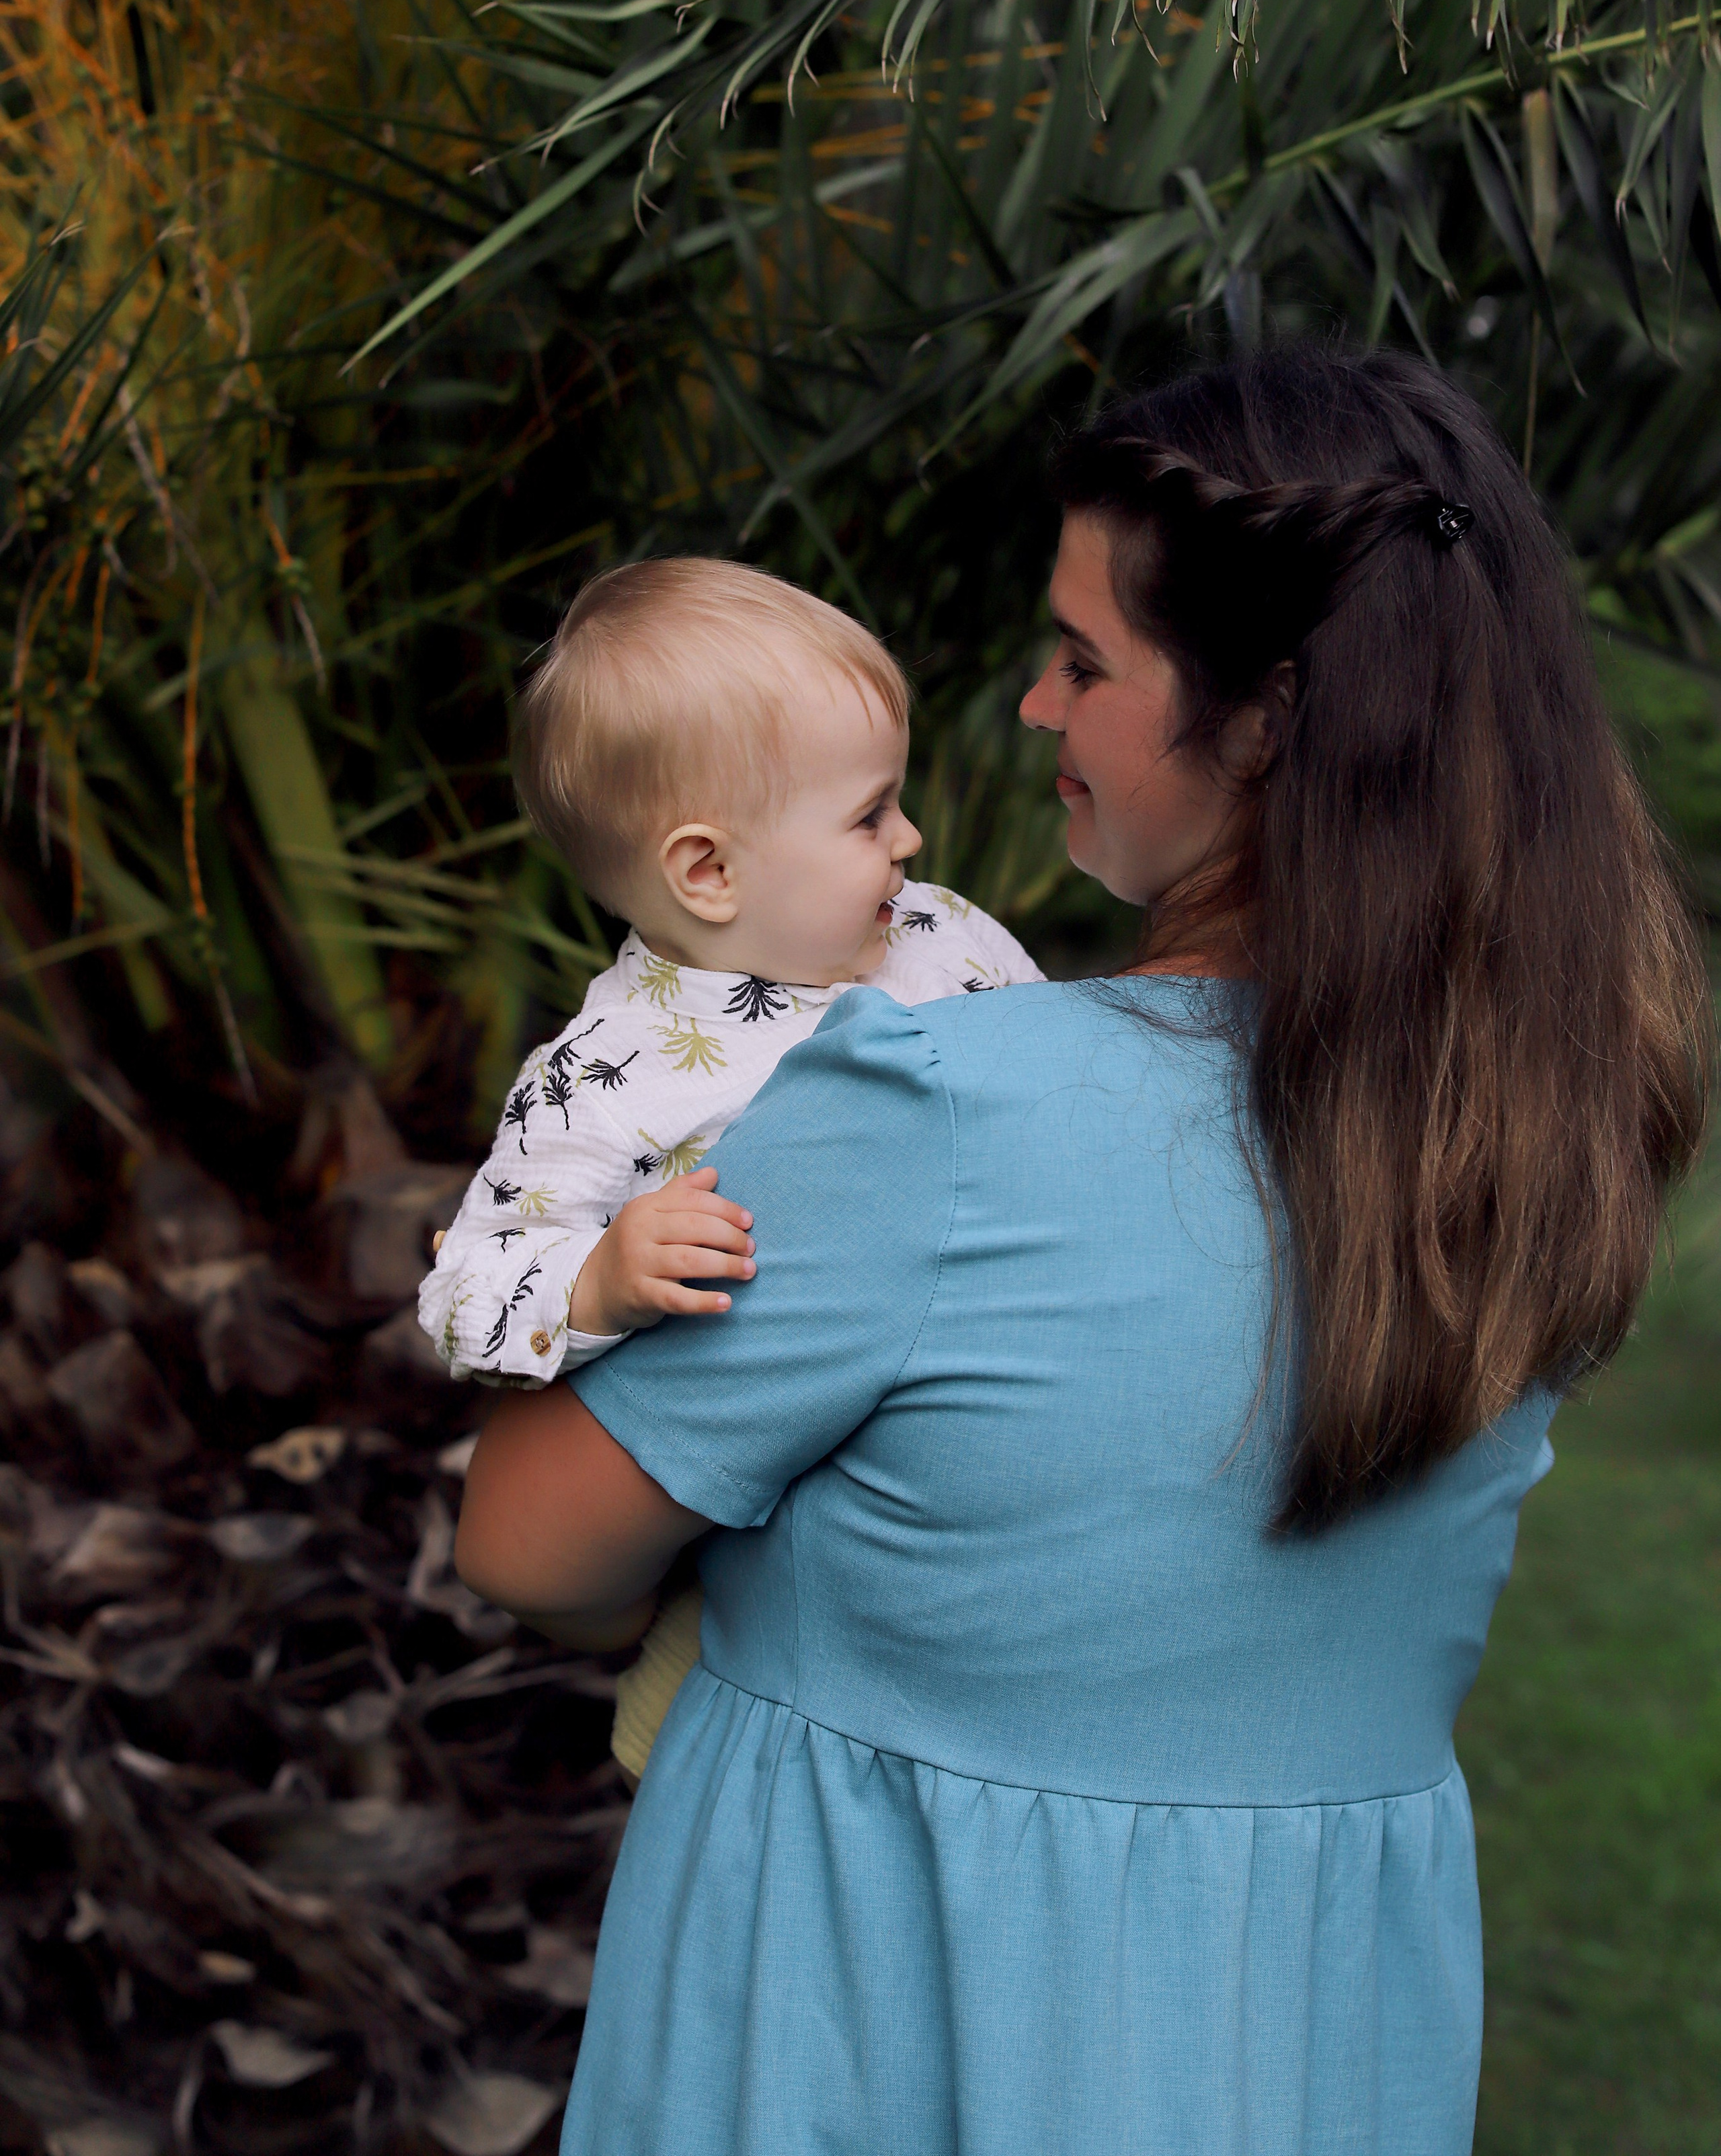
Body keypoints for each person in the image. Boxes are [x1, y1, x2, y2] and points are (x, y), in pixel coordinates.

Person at [454, 348, 1711, 2156]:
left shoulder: (939, 1110)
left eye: (1087, 660)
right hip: (1298, 2046)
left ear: (1269, 713)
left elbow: (532, 1544)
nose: (1039, 708)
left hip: (880, 2015)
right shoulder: (1539, 1134)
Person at [419, 557, 1039, 1773]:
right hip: (752, 1509)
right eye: (870, 815)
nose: (910, 838)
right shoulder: (607, 1073)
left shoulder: (936, 932)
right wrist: (597, 1279)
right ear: (708, 871)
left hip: (978, 1422)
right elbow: (465, 1290)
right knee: (732, 1719)